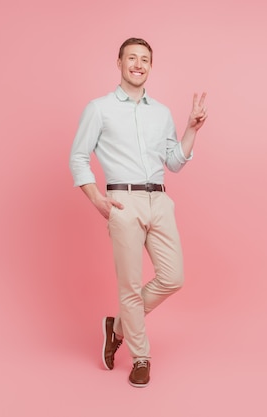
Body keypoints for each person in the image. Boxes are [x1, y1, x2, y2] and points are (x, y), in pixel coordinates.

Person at [69, 37, 208, 388]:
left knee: (173, 276)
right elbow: (78, 157)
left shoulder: (160, 112)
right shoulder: (98, 108)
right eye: (131, 57)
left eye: (144, 59)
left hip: (159, 201)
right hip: (122, 201)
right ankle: (141, 357)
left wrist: (191, 128)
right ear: (119, 62)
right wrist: (97, 199)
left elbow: (174, 162)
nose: (138, 63)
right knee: (129, 285)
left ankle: (116, 327)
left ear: (150, 66)